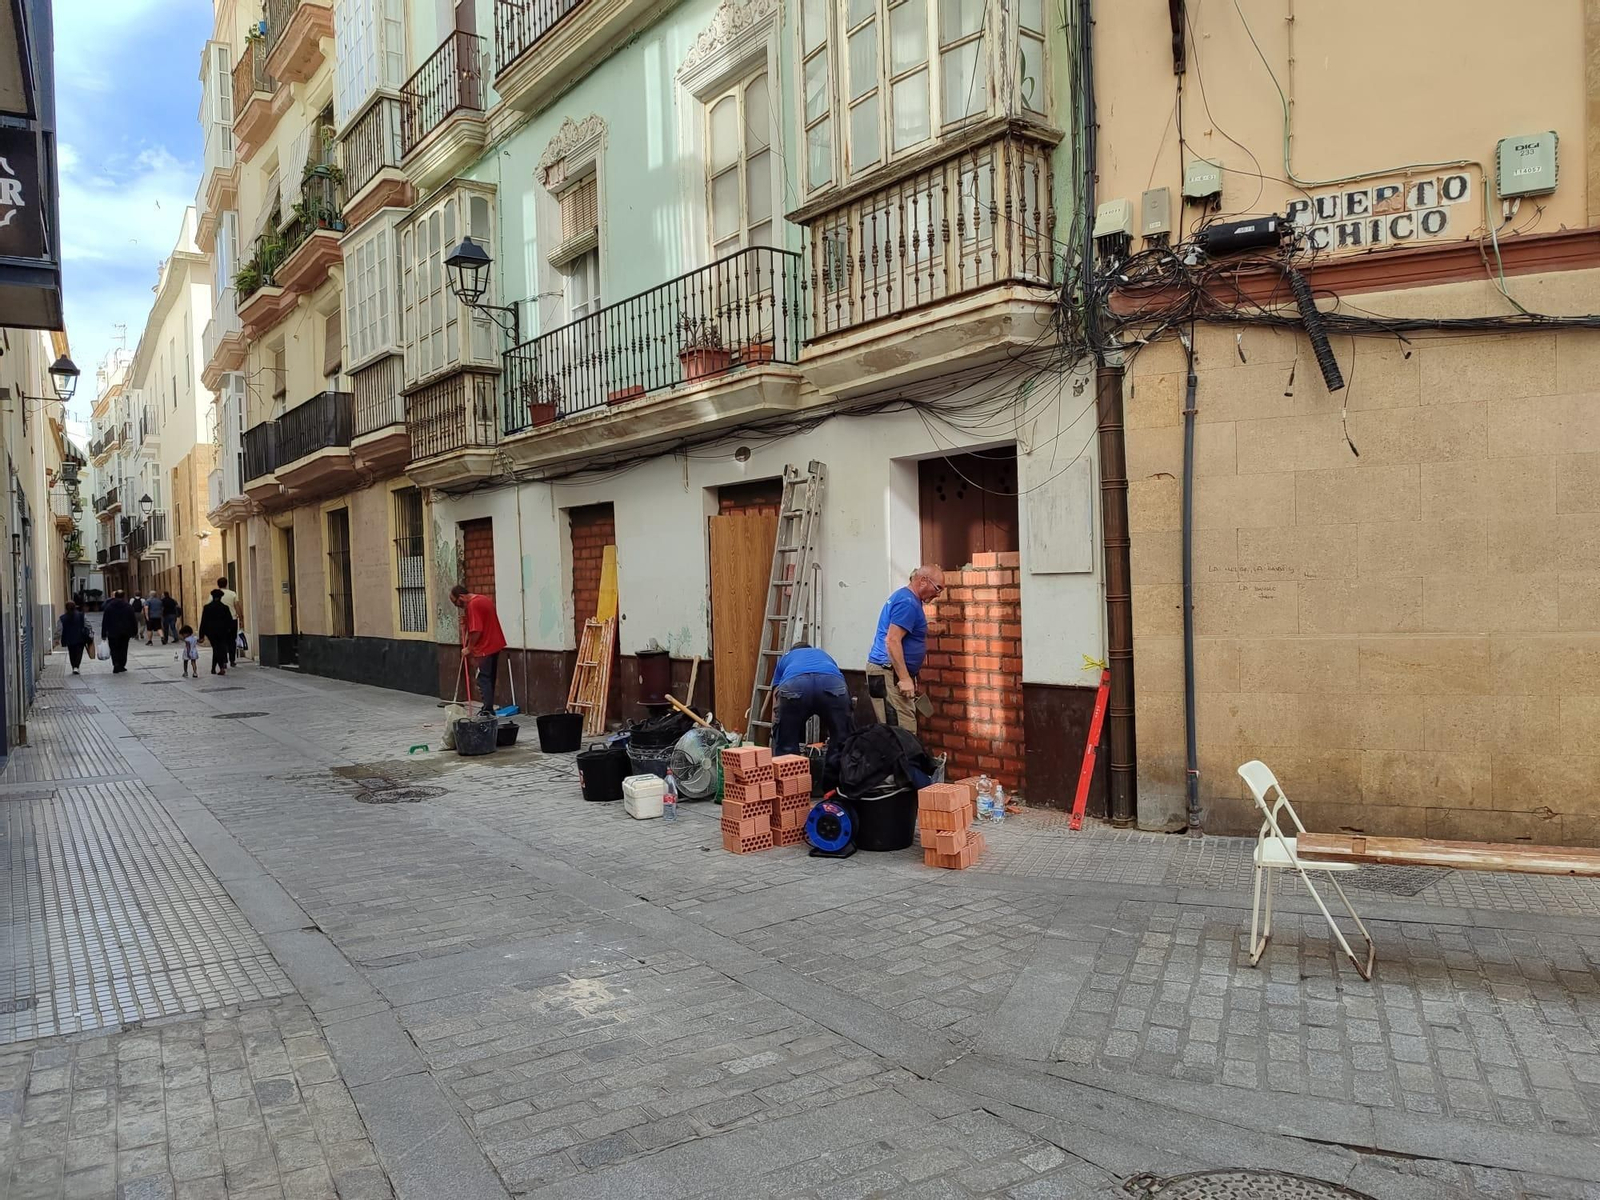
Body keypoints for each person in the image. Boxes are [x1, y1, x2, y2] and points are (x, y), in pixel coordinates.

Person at [865, 564, 943, 734]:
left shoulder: (908, 600)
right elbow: (892, 640)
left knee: (898, 730)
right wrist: (905, 678)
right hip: (887, 673)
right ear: (923, 581)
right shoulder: (907, 602)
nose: (938, 594)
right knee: (901, 733)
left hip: (889, 674)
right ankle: (904, 761)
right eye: (938, 588)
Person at [768, 642, 852, 757]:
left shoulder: (786, 657)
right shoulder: (823, 654)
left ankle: (790, 770)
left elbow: (776, 694)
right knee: (841, 742)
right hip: (831, 684)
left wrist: (776, 724)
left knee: (786, 745)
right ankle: (839, 772)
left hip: (795, 685)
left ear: (793, 651)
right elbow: (838, 678)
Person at [450, 584, 506, 716]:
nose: (457, 606)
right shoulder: (483, 599)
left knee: (483, 678)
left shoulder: (473, 605)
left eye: (456, 602)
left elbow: (477, 630)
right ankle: (489, 708)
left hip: (484, 648)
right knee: (490, 677)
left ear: (462, 596)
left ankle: (487, 709)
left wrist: (469, 648)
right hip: (495, 644)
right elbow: (481, 621)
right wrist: (467, 621)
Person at [199, 588, 237, 677]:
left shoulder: (207, 608)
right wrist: (229, 630)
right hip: (222, 632)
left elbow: (203, 621)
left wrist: (202, 635)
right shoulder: (225, 608)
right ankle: (220, 667)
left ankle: (215, 668)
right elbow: (229, 621)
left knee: (216, 648)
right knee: (219, 648)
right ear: (221, 597)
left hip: (211, 632)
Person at [100, 590, 138, 673]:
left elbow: (105, 620)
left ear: (115, 596)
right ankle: (122, 664)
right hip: (125, 632)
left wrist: (103, 633)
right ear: (124, 596)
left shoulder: (109, 607)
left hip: (112, 631)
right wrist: (134, 631)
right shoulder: (128, 607)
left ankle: (116, 664)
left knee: (114, 649)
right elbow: (133, 620)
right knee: (123, 648)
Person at [58, 601, 92, 674]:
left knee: (71, 652)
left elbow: (59, 629)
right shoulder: (81, 615)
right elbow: (88, 624)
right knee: (79, 652)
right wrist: (89, 631)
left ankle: (74, 666)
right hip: (80, 637)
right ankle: (76, 666)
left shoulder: (62, 618)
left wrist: (56, 638)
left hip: (68, 638)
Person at [216, 577, 243, 667]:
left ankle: (224, 661)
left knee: (222, 641)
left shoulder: (215, 595)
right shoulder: (232, 594)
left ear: (218, 584)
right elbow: (237, 606)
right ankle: (232, 660)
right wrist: (241, 618)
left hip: (220, 621)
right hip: (232, 620)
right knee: (232, 640)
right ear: (226, 584)